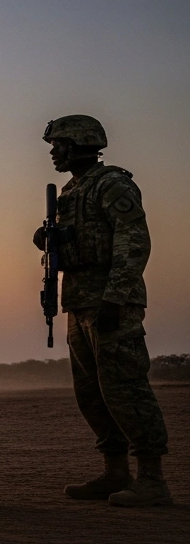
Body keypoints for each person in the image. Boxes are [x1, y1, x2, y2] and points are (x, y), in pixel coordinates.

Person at [37, 115, 171, 507]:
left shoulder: (112, 184)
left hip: (110, 302)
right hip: (78, 301)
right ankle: (115, 471)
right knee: (91, 392)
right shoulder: (73, 190)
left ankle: (152, 479)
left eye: (58, 144)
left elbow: (134, 242)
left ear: (79, 143)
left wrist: (115, 298)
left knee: (125, 388)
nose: (53, 152)